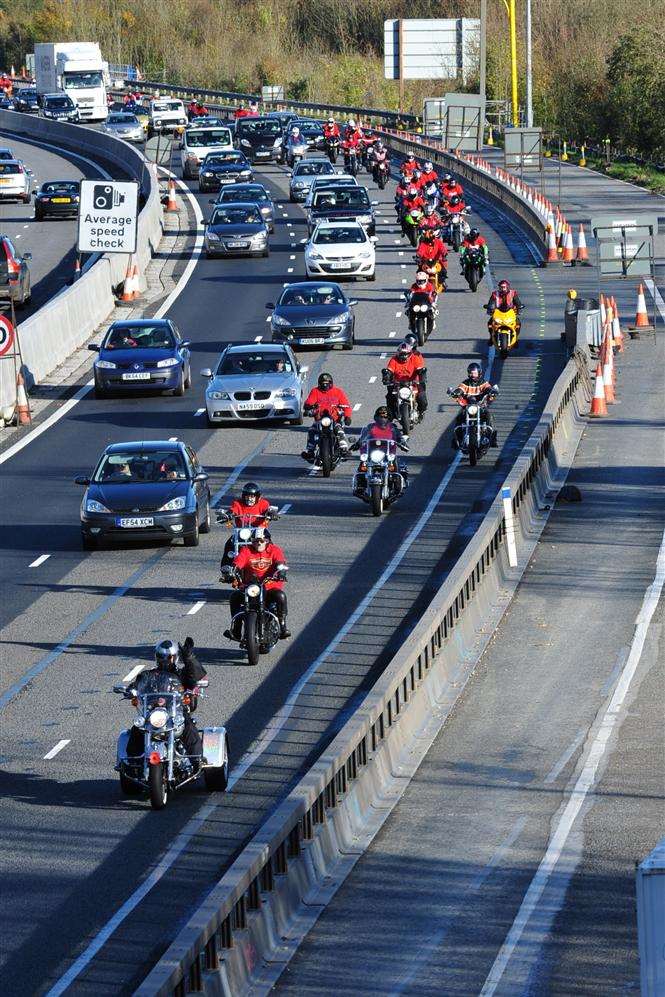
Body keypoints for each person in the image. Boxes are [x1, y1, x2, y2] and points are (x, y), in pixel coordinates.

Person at [126, 638, 206, 762]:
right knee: (137, 730)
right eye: (161, 656)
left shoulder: (182, 674)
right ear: (156, 657)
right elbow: (137, 685)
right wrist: (131, 690)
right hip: (153, 713)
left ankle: (196, 760)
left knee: (189, 727)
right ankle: (131, 763)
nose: (164, 660)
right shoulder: (148, 675)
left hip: (176, 712)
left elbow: (196, 675)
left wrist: (189, 658)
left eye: (168, 657)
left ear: (175, 657)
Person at [225, 529, 290, 640]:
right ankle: (236, 629)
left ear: (267, 541)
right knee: (235, 597)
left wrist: (281, 571)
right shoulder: (246, 550)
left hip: (270, 586)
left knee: (281, 596)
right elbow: (238, 562)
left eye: (262, 540)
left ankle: (282, 626)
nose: (259, 543)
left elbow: (280, 562)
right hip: (250, 587)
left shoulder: (275, 550)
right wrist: (232, 572)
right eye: (255, 541)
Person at [220, 482, 273, 567]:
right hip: (242, 531)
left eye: (252, 496)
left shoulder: (263, 503)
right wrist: (227, 516)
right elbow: (233, 511)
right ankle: (226, 569)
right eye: (247, 496)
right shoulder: (237, 503)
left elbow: (268, 510)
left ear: (257, 497)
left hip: (259, 531)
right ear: (243, 496)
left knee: (270, 545)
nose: (250, 499)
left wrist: (271, 514)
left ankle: (272, 566)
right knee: (229, 544)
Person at [301, 372, 352, 461]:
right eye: (323, 384)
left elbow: (346, 406)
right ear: (319, 384)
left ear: (331, 383)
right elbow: (309, 402)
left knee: (339, 430)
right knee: (311, 431)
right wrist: (308, 407)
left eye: (327, 384)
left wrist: (347, 417)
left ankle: (344, 449)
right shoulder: (315, 391)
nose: (325, 386)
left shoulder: (338, 392)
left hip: (335, 420)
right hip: (320, 420)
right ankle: (310, 451)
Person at [451, 362, 498, 447]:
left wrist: (492, 391)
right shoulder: (465, 383)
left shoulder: (483, 383)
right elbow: (460, 389)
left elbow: (488, 388)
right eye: (471, 373)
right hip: (468, 407)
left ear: (479, 373)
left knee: (488, 415)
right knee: (459, 418)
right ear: (468, 373)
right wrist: (456, 393)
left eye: (475, 373)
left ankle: (489, 438)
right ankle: (457, 440)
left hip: (481, 406)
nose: (473, 375)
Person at [383, 340, 428, 419]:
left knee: (422, 398)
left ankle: (421, 412)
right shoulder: (394, 360)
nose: (403, 356)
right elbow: (389, 370)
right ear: (398, 353)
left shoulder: (415, 359)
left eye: (405, 354)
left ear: (410, 354)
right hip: (397, 384)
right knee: (390, 397)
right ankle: (392, 416)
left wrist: (422, 375)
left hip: (413, 383)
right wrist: (386, 377)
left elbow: (420, 369)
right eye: (401, 354)